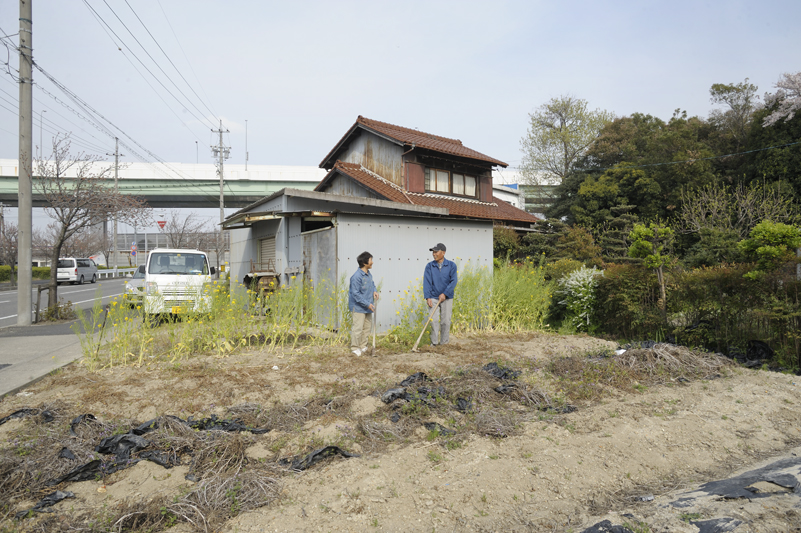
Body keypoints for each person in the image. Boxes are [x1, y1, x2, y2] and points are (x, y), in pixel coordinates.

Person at [423, 243, 457, 346]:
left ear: (443, 252)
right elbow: (427, 282)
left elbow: (453, 281)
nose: (434, 254)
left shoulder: (451, 265)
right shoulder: (430, 266)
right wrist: (428, 297)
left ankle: (444, 344)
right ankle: (434, 343)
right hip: (433, 297)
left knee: (445, 321)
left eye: (436, 252)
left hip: (447, 298)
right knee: (434, 321)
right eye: (433, 252)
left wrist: (445, 294)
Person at [348, 251, 378, 356]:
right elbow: (355, 294)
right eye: (371, 260)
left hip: (368, 306)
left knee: (366, 327)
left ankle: (363, 346)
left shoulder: (368, 274)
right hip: (359, 307)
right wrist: (367, 304)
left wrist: (375, 290)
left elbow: (372, 284)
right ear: (365, 263)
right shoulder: (357, 277)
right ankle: (355, 348)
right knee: (358, 328)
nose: (372, 262)